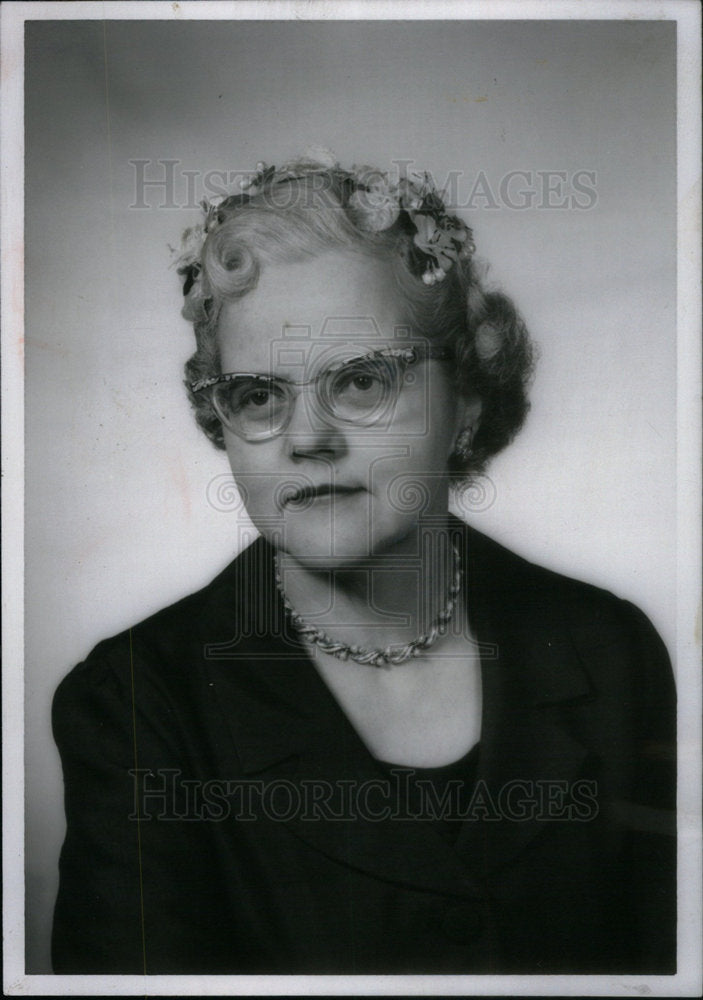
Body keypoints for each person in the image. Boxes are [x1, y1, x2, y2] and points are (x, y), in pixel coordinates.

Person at [52, 153, 676, 975]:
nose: (307, 439)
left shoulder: (606, 646)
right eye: (258, 395)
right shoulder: (133, 701)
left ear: (468, 403)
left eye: (359, 382)